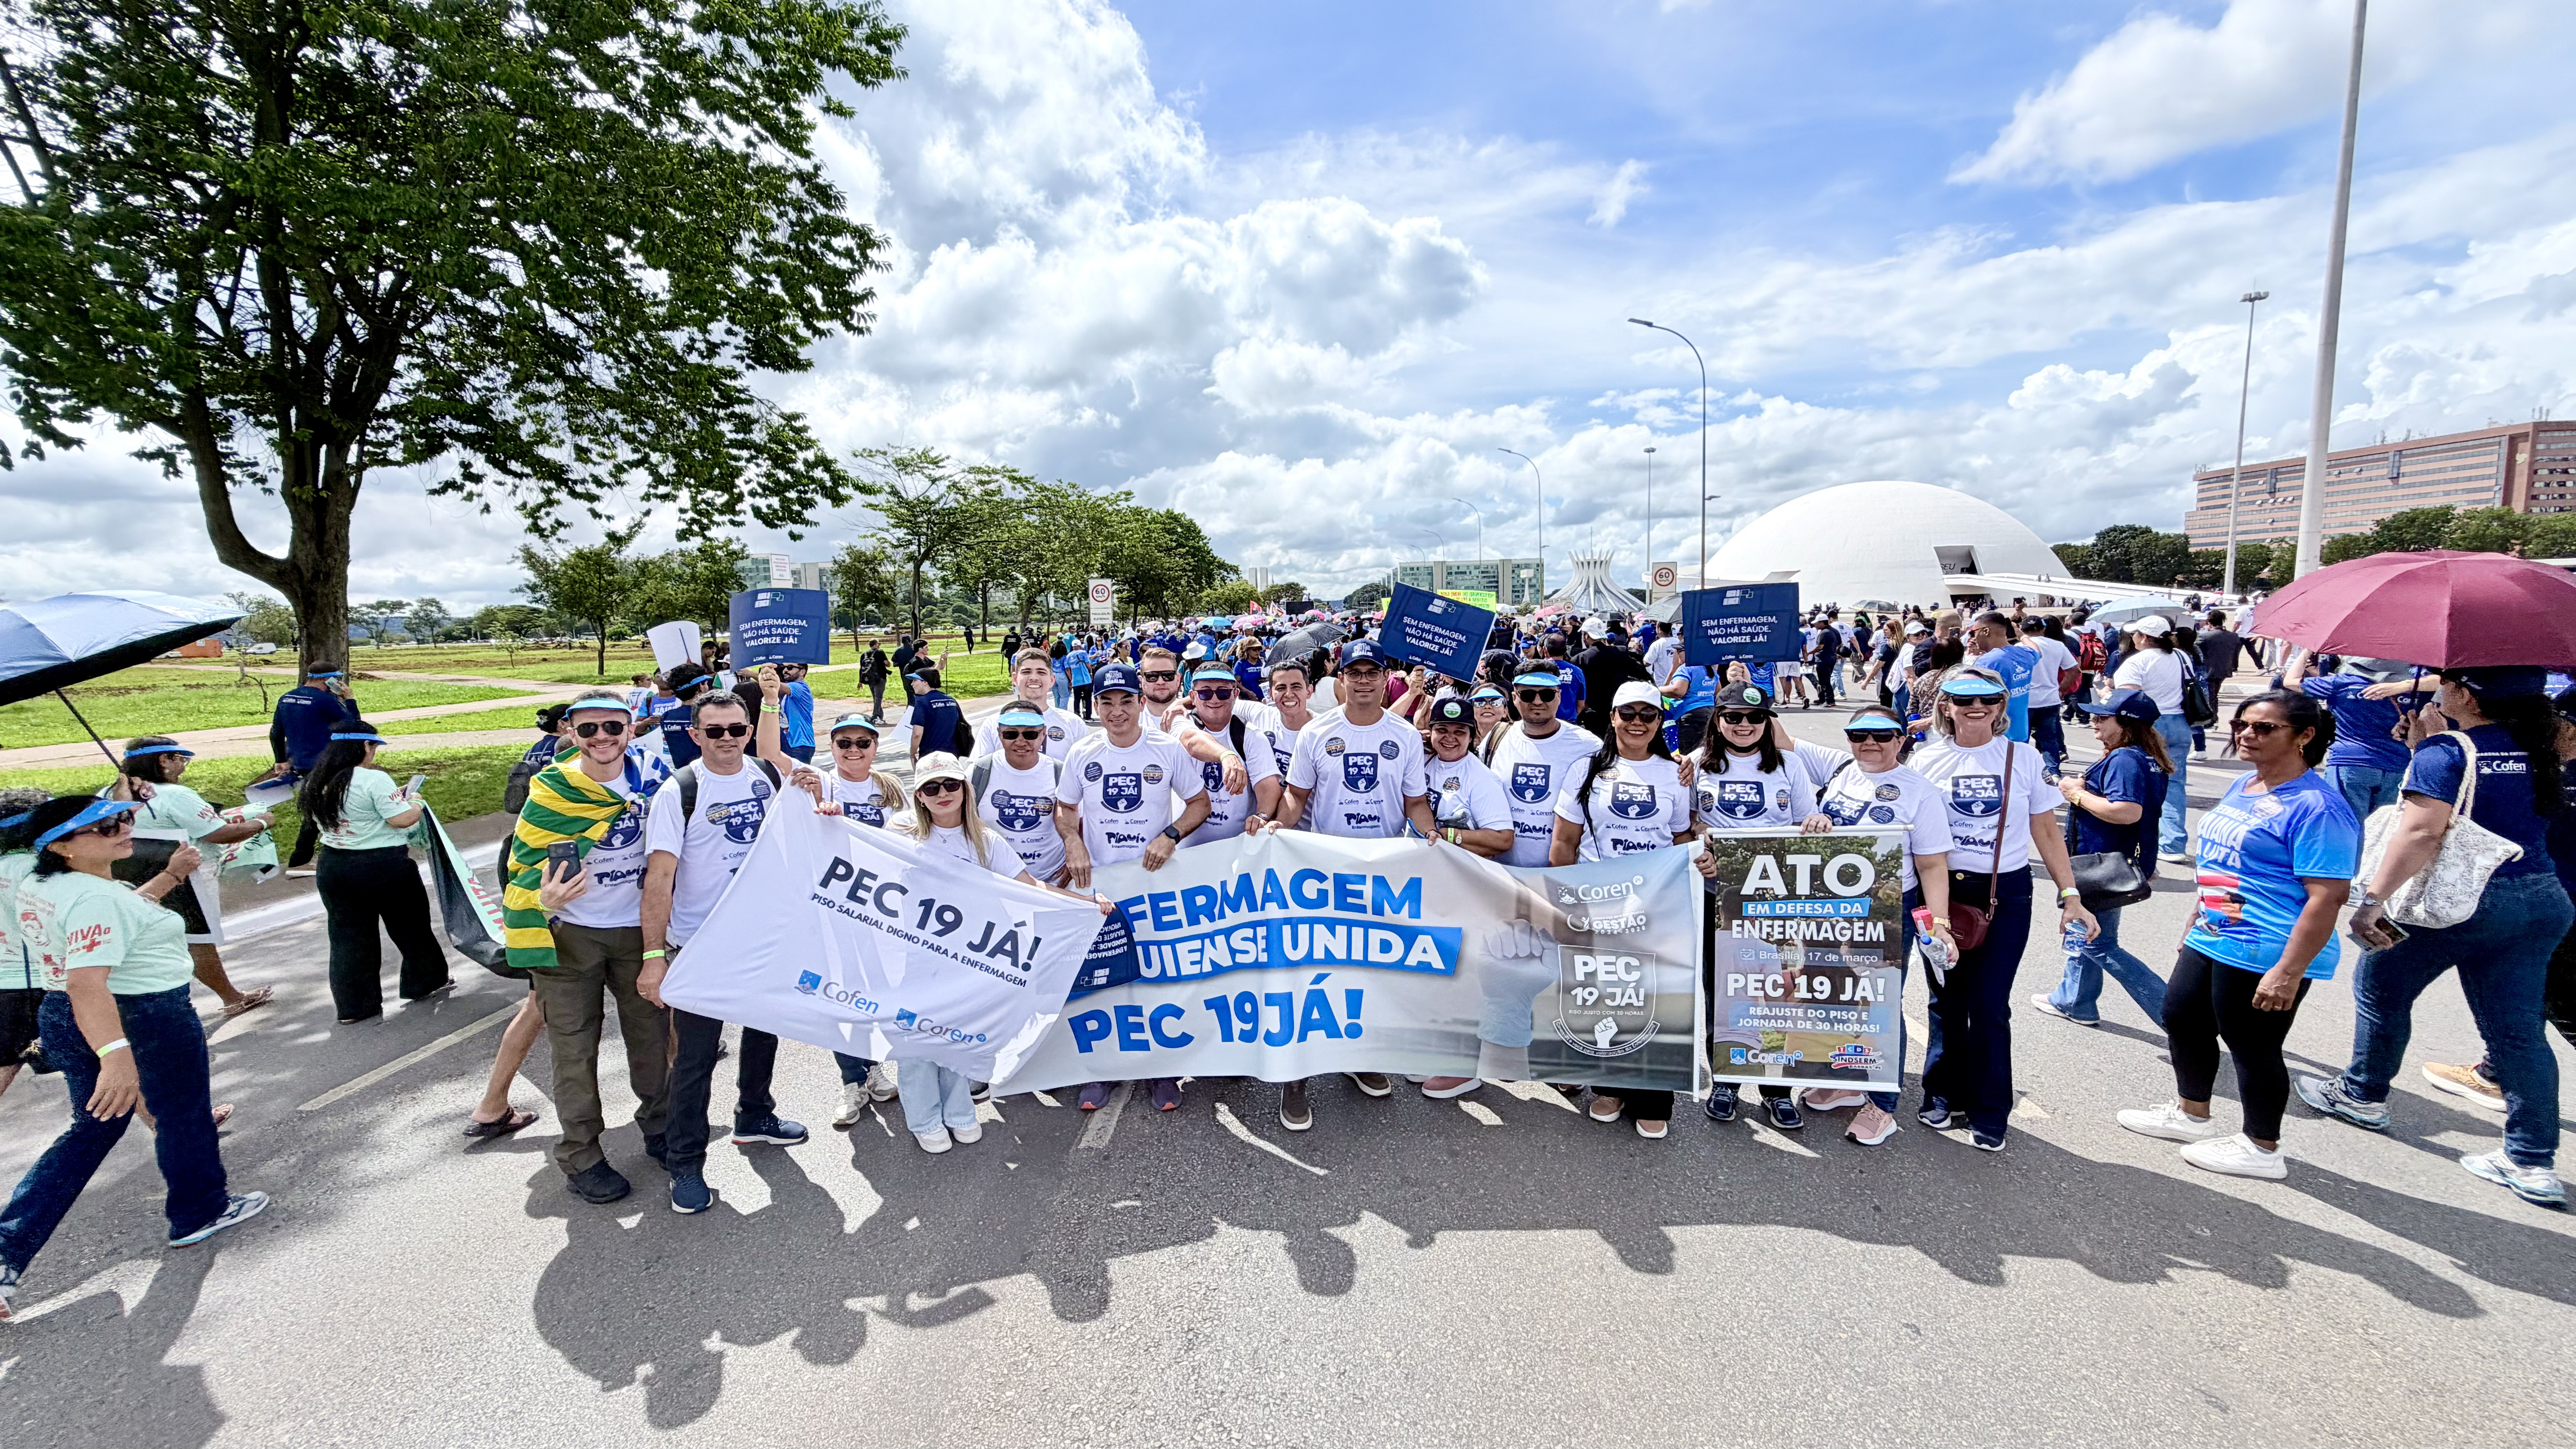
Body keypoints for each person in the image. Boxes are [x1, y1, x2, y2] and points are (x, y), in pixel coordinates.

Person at [2299, 667, 2571, 1206]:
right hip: (2541, 893)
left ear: (2465, 694)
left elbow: (2422, 831)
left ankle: (2362, 1093)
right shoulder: (2548, 740)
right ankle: (2532, 1160)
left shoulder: (2449, 753)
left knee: (2382, 988)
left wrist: (2372, 901)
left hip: (2464, 899)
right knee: (2517, 1030)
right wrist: (2426, 743)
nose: (2439, 690)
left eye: (2446, 683)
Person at [0, 797, 269, 1320]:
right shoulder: (92, 899)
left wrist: (169, 876)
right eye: (103, 827)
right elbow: (88, 981)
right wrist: (115, 1054)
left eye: (123, 817)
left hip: (65, 1012)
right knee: (182, 1112)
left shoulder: (48, 884)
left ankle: (7, 1251)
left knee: (92, 1128)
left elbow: (118, 923)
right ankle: (200, 1211)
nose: (124, 829)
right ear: (60, 846)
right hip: (141, 1015)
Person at [2117, 691, 2357, 1180]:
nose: (2247, 735)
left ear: (2305, 736)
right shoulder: (2247, 786)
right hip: (2217, 928)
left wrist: (2288, 971)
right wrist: (2196, 914)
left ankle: (2262, 1146)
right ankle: (2191, 1113)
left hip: (2267, 943)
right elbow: (2224, 864)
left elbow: (2327, 896)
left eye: (2265, 728)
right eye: (2243, 724)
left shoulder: (2319, 807)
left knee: (2252, 1045)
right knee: (2182, 1016)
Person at [1907, 670, 2099, 1152]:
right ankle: (1942, 1092)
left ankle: (1991, 1108)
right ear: (1946, 706)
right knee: (1945, 998)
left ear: (2000, 706)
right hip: (1940, 892)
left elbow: (2047, 831)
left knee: (1989, 1004)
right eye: (1964, 699)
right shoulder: (1926, 759)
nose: (1977, 707)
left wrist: (2069, 893)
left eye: (1989, 699)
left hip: (2004, 892)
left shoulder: (2023, 756)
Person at [499, 690, 676, 1200]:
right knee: (574, 1050)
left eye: (613, 728)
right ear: (571, 734)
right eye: (590, 729)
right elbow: (522, 868)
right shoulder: (552, 790)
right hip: (568, 937)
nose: (603, 738)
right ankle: (581, 1155)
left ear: (631, 730)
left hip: (637, 932)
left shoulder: (655, 781)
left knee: (651, 1037)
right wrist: (544, 897)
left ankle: (661, 1129)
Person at [638, 690, 810, 1215]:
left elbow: (801, 831)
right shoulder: (680, 791)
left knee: (764, 1031)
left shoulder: (767, 774)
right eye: (715, 732)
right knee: (694, 1059)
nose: (728, 740)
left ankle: (755, 1113)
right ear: (695, 735)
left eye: (737, 728)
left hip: (759, 937)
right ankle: (685, 1163)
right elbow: (660, 878)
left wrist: (813, 790)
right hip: (702, 945)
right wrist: (652, 955)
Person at [1265, 640, 1435, 1129]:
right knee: (1310, 974)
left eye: (1372, 673)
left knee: (1364, 971)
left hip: (1379, 871)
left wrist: (1430, 835)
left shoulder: (1403, 735)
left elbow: (1416, 802)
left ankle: (1356, 1057)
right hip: (1321, 869)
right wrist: (1280, 825)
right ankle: (1296, 1078)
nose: (1363, 681)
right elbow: (1297, 798)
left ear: (1386, 678)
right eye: (1354, 673)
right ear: (1341, 678)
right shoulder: (1318, 732)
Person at [890, 752, 1097, 1151]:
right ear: (920, 796)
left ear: (965, 789)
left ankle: (959, 1109)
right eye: (932, 788)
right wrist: (823, 808)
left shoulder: (985, 840)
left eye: (951, 784)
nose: (943, 793)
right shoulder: (900, 833)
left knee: (957, 1035)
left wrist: (1084, 901)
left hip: (970, 957)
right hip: (917, 955)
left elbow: (1028, 886)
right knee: (917, 1041)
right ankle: (924, 1117)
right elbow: (848, 847)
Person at [1779, 707, 1957, 1145]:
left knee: (1879, 1004)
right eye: (1860, 735)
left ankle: (1883, 1105)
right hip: (1833, 906)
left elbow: (1933, 865)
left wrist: (1941, 923)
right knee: (1839, 996)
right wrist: (1819, 822)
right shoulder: (1844, 774)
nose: (1870, 743)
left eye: (1882, 735)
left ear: (1901, 740)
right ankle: (1847, 1079)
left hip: (1885, 908)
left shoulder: (1921, 792)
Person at [1056, 662, 1209, 1114]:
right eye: (1107, 702)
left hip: (1156, 884)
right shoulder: (1083, 753)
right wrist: (1073, 840)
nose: (1118, 712)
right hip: (1101, 885)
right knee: (1105, 979)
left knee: (1157, 976)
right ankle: (1103, 1068)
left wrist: (1172, 835)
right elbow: (1065, 810)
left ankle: (1161, 1070)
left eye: (1127, 701)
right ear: (1096, 705)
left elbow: (1200, 804)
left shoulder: (1166, 750)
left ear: (1143, 701)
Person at [1548, 681, 1694, 1139]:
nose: (1636, 722)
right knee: (1604, 996)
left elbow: (1680, 839)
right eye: (1627, 713)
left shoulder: (1676, 774)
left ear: (1659, 722)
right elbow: (1564, 843)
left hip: (1654, 903)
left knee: (1653, 997)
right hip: (1596, 900)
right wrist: (1567, 900)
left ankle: (1653, 1095)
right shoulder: (1586, 770)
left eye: (1647, 715)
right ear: (1612, 718)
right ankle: (1608, 1086)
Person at [1689, 681, 1818, 1131]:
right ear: (1718, 721)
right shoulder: (1694, 765)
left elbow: (1807, 820)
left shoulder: (1788, 765)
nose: (1744, 725)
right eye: (1733, 717)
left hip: (1777, 904)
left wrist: (1818, 822)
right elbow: (1681, 827)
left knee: (1780, 992)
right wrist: (1698, 840)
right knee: (1724, 992)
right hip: (1719, 899)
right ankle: (1726, 1079)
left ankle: (1778, 1089)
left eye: (1755, 718)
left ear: (1768, 722)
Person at [2033, 690, 2173, 1027]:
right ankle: (2076, 1000)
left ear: (2126, 724)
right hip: (2116, 862)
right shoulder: (2143, 757)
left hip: (2103, 863)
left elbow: (2126, 811)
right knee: (2090, 932)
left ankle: (2175, 1016)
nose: (2094, 722)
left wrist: (2076, 794)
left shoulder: (2125, 760)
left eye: (2102, 717)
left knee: (2097, 940)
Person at [107, 738, 274, 1018]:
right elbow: (218, 834)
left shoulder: (110, 794)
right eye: (180, 759)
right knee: (197, 938)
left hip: (131, 875)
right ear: (164, 760)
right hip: (187, 875)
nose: (183, 766)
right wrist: (262, 822)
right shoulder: (176, 794)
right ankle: (231, 998)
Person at [301, 728, 450, 1022]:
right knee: (410, 927)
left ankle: (355, 1006)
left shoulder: (315, 781)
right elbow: (402, 818)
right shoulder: (373, 779)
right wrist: (416, 801)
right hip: (383, 864)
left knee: (348, 937)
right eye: (374, 747)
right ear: (365, 746)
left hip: (334, 865)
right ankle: (424, 982)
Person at [1482, 668, 1603, 869]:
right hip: (1500, 871)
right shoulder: (1497, 738)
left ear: (1559, 697)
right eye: (1528, 695)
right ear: (1514, 698)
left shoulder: (1589, 746)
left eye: (1547, 694)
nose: (1538, 702)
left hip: (1561, 871)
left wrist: (1674, 766)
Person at [2283, 650, 2416, 829]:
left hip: (2350, 762)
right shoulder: (2410, 688)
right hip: (2397, 765)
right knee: (2383, 830)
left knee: (2345, 826)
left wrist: (2307, 651)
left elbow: (2290, 682)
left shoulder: (2342, 683)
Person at [2111, 616, 2193, 862]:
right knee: (2175, 783)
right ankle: (2175, 842)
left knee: (2141, 784)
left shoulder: (2135, 663)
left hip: (2149, 725)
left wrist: (2107, 693)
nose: (2133, 638)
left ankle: (2144, 843)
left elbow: (2127, 700)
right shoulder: (2181, 656)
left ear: (2144, 637)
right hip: (2179, 722)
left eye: (2135, 634)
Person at [1173, 663, 1282, 844]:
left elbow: (1267, 785)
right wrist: (1227, 756)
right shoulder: (1180, 723)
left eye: (1223, 692)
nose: (1214, 700)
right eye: (1205, 693)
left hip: (1236, 848)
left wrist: (1262, 816)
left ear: (1235, 695)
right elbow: (1192, 742)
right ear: (1192, 697)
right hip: (1186, 850)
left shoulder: (1250, 735)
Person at [264, 665, 359, 874]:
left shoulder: (287, 698)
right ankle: (301, 860)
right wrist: (349, 699)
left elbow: (276, 731)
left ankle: (304, 858)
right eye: (337, 679)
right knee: (322, 810)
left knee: (315, 808)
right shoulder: (325, 700)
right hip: (327, 763)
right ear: (328, 680)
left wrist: (280, 759)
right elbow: (353, 726)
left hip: (301, 764)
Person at [0, 788, 56, 1106]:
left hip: (7, 982)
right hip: (43, 979)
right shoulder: (39, 870)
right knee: (112, 1049)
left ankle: (167, 1123)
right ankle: (170, 1124)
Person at [972, 703, 1069, 886]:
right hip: (997, 884)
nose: (1021, 741)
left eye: (1030, 734)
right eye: (1011, 734)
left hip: (1052, 882)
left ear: (1043, 734)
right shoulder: (979, 772)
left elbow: (1079, 821)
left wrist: (1073, 856)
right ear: (999, 734)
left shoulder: (1060, 773)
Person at [972, 649, 1092, 760]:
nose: (1034, 678)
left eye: (1041, 672)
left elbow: (1084, 771)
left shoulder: (1073, 724)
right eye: (1026, 672)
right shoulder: (994, 724)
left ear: (1052, 680)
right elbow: (977, 771)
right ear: (1015, 679)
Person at [2019, 616, 2077, 772]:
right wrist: (2062, 688)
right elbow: (2074, 670)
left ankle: (2022, 771)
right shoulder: (2058, 645)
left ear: (2023, 630)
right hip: (2050, 699)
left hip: (2026, 700)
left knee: (2022, 739)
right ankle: (2053, 772)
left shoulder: (2019, 647)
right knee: (2049, 739)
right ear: (2043, 629)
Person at [908, 664, 968, 764]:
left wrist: (912, 753)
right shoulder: (951, 701)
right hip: (952, 755)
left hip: (930, 755)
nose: (912, 684)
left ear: (925, 683)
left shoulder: (922, 702)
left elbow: (917, 734)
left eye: (915, 681)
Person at [2197, 612, 2245, 687]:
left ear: (2209, 622)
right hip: (2225, 668)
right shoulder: (2233, 636)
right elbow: (2236, 654)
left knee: (2210, 693)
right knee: (2215, 691)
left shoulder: (2204, 636)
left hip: (2208, 669)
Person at [860, 638, 892, 723]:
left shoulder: (864, 654)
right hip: (880, 678)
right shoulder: (880, 652)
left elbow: (862, 668)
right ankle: (875, 716)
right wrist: (888, 663)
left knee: (875, 697)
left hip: (869, 678)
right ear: (876, 645)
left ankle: (880, 715)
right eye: (878, 643)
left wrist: (861, 681)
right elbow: (887, 664)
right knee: (879, 697)